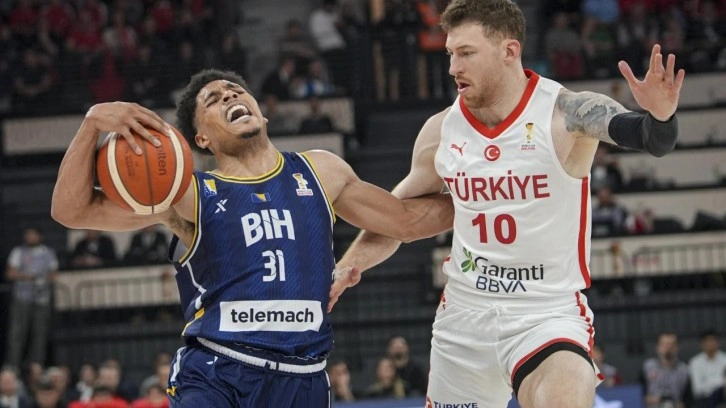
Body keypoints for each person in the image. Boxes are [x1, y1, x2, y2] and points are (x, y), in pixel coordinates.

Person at [330, 0, 684, 407]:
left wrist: (661, 116)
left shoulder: (567, 112)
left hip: (545, 314)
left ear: (509, 51)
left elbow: (649, 137)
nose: (453, 68)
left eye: (466, 53)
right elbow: (397, 218)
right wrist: (347, 267)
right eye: (450, 54)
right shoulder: (442, 130)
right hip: (465, 316)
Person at [51, 69, 453, 408]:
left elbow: (405, 221)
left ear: (262, 112)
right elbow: (72, 210)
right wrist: (92, 123)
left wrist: (480, 198)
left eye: (236, 91)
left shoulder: (320, 172)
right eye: (213, 100)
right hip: (217, 373)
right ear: (201, 139)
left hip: (304, 379)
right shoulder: (189, 194)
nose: (229, 95)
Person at [4, 226, 58, 370]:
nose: (30, 237)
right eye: (28, 235)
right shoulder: (18, 252)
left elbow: (54, 273)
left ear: (40, 236)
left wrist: (42, 278)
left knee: (40, 334)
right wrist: (27, 277)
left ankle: (36, 366)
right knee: (17, 333)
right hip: (22, 298)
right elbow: (10, 273)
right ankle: (13, 365)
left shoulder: (48, 252)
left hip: (42, 299)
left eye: (33, 235)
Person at [642, 333, 689, 408]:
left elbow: (689, 399)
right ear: (658, 347)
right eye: (664, 345)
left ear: (677, 347)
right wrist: (651, 399)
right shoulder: (648, 367)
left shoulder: (684, 370)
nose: (668, 348)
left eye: (671, 345)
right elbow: (638, 394)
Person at [689, 330, 726, 406]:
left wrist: (707, 382)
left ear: (718, 343)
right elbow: (698, 389)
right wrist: (720, 384)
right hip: (705, 400)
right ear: (702, 344)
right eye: (707, 341)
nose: (710, 343)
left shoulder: (725, 359)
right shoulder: (695, 362)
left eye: (713, 340)